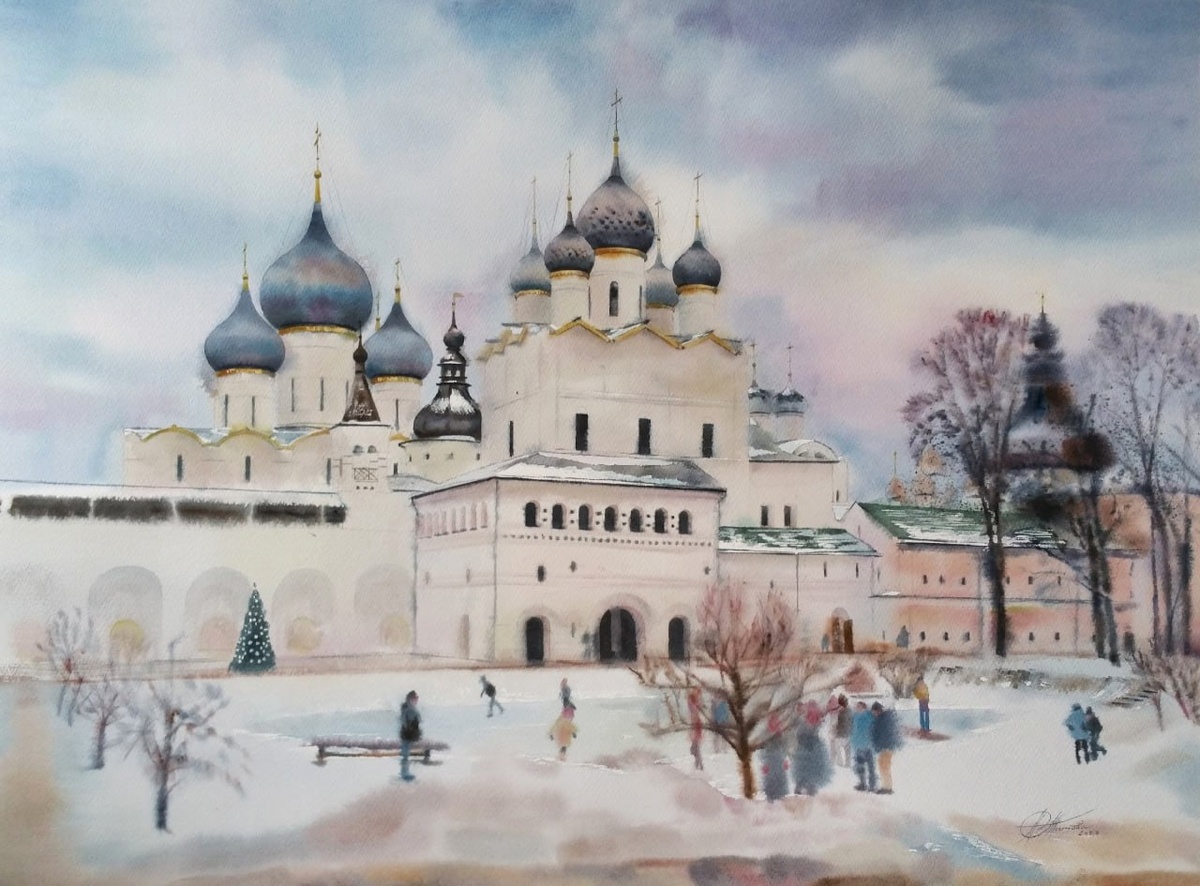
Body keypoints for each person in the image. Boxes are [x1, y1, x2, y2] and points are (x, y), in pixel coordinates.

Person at [792, 700, 833, 796]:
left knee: (811, 766)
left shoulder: (810, 716)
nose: (799, 709)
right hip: (803, 745)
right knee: (802, 767)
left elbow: (812, 728)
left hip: (811, 744)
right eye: (798, 708)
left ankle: (810, 786)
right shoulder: (799, 718)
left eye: (800, 707)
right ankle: (801, 785)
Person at [870, 701, 903, 794]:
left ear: (878, 710)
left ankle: (887, 787)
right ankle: (886, 786)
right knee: (883, 766)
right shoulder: (883, 719)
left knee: (884, 767)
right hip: (884, 747)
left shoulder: (882, 720)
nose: (874, 713)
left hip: (885, 747)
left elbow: (884, 734)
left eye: (874, 711)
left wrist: (880, 744)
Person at [760, 713, 790, 802]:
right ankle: (772, 797)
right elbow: (763, 750)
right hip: (772, 761)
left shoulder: (780, 736)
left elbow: (785, 748)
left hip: (777, 761)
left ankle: (778, 796)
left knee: (778, 779)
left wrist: (785, 759)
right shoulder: (767, 736)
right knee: (771, 780)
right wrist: (764, 762)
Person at [850, 701, 877, 792]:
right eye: (857, 706)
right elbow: (853, 730)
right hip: (858, 745)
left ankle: (871, 785)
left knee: (870, 766)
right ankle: (863, 784)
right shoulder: (855, 716)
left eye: (859, 706)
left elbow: (871, 729)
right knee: (860, 766)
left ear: (864, 707)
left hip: (867, 745)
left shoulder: (868, 716)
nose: (857, 708)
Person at [398, 690, 421, 782]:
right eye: (415, 698)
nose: (416, 700)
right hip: (407, 734)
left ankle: (405, 773)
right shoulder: (408, 708)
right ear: (411, 699)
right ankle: (404, 774)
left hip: (408, 734)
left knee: (406, 754)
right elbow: (404, 722)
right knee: (405, 755)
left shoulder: (409, 708)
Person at [832, 694, 852, 767]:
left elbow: (839, 724)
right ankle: (847, 763)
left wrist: (835, 729)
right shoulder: (849, 711)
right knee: (847, 750)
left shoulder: (841, 713)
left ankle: (840, 763)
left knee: (838, 748)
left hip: (841, 734)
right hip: (847, 734)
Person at [687, 686, 704, 770]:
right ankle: (699, 763)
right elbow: (693, 711)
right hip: (694, 723)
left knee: (696, 745)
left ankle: (699, 763)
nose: (698, 694)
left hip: (697, 724)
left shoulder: (696, 701)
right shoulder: (692, 700)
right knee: (695, 745)